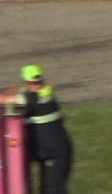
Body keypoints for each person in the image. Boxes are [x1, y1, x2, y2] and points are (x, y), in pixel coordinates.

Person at [11, 65, 73, 194]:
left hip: (54, 153)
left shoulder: (32, 98)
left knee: (52, 190)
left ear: (26, 81)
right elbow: (19, 92)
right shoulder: (44, 91)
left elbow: (9, 99)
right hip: (49, 150)